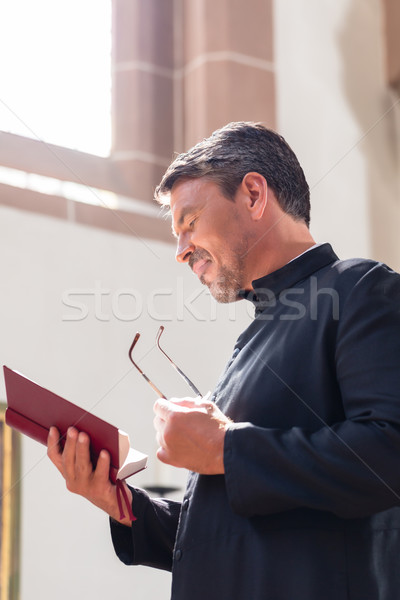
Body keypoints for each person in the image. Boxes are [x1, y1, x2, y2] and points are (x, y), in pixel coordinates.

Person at [48, 122, 400, 599]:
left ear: (254, 194)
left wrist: (224, 449)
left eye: (189, 222)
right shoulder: (251, 343)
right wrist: (122, 503)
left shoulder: (360, 289)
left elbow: (388, 452)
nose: (180, 251)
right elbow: (229, 535)